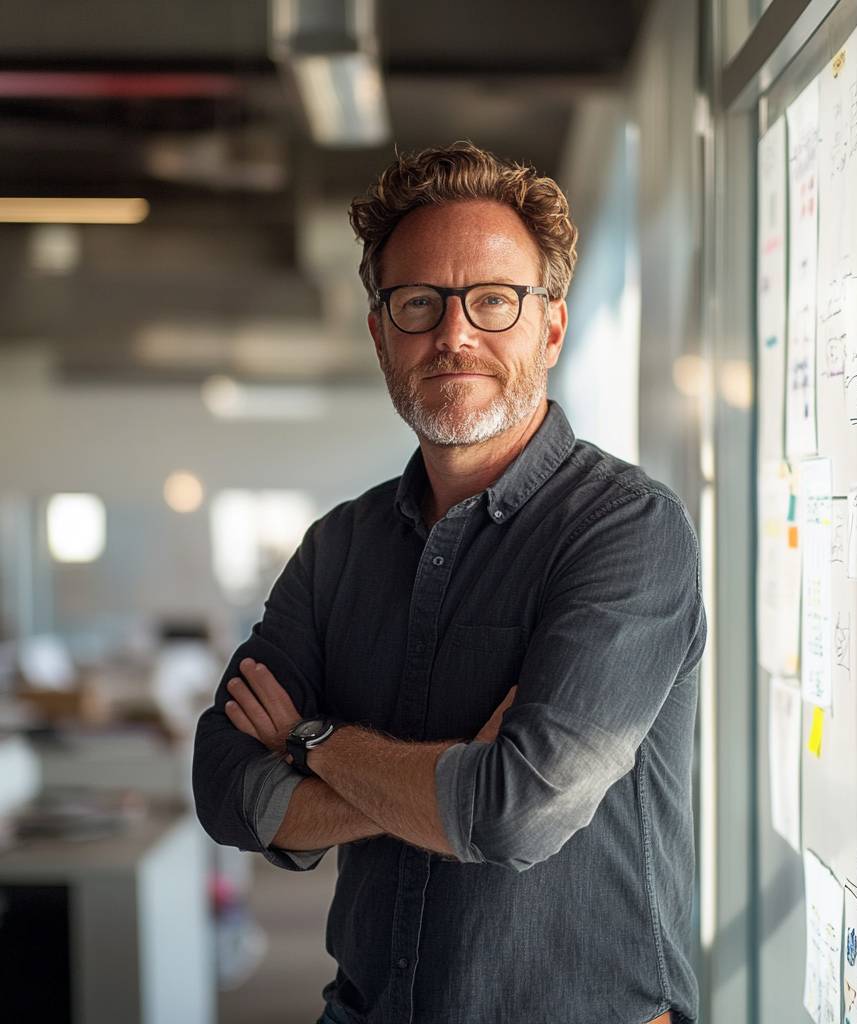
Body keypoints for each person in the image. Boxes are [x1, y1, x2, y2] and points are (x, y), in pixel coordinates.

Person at [192, 141, 707, 1024]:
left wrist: (314, 741)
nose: (454, 334)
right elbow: (223, 784)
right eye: (420, 303)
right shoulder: (338, 549)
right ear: (381, 331)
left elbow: (518, 812)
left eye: (494, 301)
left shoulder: (626, 530)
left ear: (550, 328)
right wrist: (448, 780)